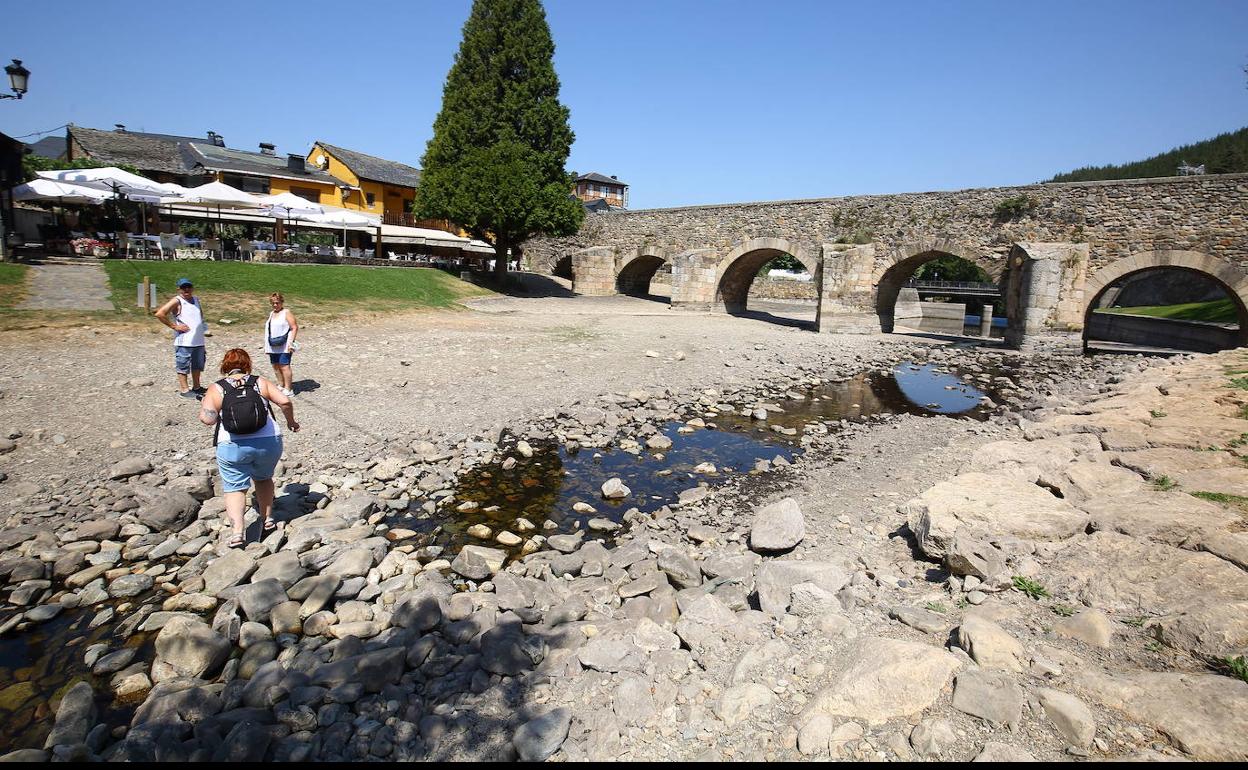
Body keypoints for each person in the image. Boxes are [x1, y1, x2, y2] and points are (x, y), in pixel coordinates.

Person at [198, 348, 299, 548]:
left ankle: (237, 533)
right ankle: (267, 518)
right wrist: (291, 422)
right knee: (263, 478)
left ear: (224, 367)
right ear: (248, 365)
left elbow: (208, 420)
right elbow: (285, 402)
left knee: (235, 488)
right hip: (268, 441)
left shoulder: (216, 387)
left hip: (232, 444)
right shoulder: (260, 382)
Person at [154, 277, 207, 399]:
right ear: (179, 289)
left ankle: (197, 387)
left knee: (197, 365)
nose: (186, 289)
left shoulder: (196, 299)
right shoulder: (177, 301)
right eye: (183, 287)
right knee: (183, 365)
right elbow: (160, 313)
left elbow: (200, 316)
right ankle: (184, 389)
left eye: (188, 287)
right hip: (185, 341)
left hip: (198, 340)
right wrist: (174, 326)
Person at [264, 292, 299, 397]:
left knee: (284, 366)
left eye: (277, 303)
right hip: (273, 344)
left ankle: (288, 388)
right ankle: (281, 384)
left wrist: (291, 343)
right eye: (273, 303)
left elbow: (294, 327)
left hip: (284, 344)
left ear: (281, 302)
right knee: (275, 365)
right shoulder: (271, 313)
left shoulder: (286, 312)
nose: (275, 305)